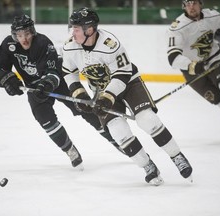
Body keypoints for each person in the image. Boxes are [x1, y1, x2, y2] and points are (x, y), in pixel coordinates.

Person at [62, 7, 193, 184]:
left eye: (76, 29)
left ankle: (177, 156)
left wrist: (108, 97)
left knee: (147, 119)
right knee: (118, 132)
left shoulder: (110, 44)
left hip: (129, 83)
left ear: (90, 29)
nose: (73, 32)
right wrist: (79, 93)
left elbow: (122, 74)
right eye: (73, 28)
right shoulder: (70, 47)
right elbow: (69, 72)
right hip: (101, 91)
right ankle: (147, 166)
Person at [0, 14, 119, 171]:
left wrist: (47, 84)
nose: (24, 39)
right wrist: (6, 80)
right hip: (34, 89)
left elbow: (53, 71)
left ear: (33, 32)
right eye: (19, 35)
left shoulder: (43, 43)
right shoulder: (8, 45)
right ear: (14, 35)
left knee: (86, 109)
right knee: (46, 120)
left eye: (27, 34)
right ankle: (69, 150)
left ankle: (116, 140)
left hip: (59, 82)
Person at [166, 0, 220, 138]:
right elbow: (173, 59)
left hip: (214, 60)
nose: (191, 7)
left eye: (194, 3)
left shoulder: (212, 16)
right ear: (183, 6)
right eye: (187, 4)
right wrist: (193, 66)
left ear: (200, 4)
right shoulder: (177, 27)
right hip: (192, 69)